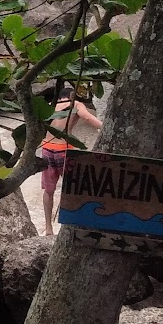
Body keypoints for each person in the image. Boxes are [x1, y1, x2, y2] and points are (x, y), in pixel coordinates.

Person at [38, 89, 102, 236]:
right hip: (64, 151)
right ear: (71, 96)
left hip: (47, 150)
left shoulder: (49, 105)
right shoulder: (76, 104)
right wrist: (104, 125)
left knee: (48, 191)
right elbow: (87, 118)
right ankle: (70, 227)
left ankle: (48, 228)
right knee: (71, 190)